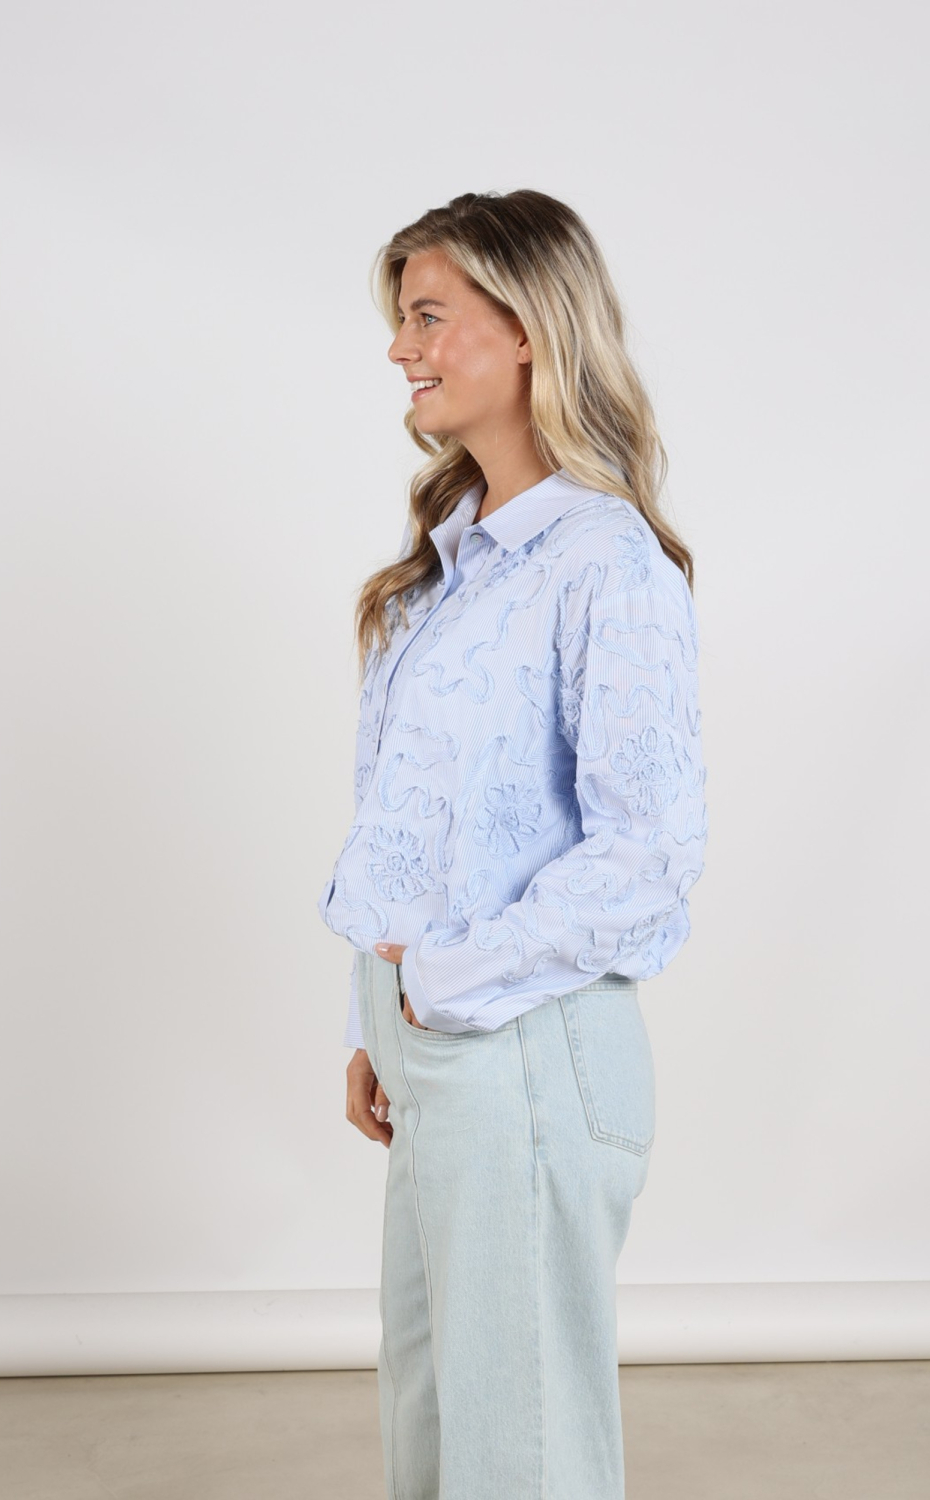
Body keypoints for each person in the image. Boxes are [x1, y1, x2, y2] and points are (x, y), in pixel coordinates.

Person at [316, 188, 708, 1500]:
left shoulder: (605, 563)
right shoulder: (450, 562)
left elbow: (648, 853)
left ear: (531, 327)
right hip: (441, 1045)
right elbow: (411, 819)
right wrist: (378, 1018)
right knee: (438, 1436)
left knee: (519, 1459)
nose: (400, 348)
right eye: (401, 319)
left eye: (429, 315)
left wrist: (442, 983)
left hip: (526, 1046)